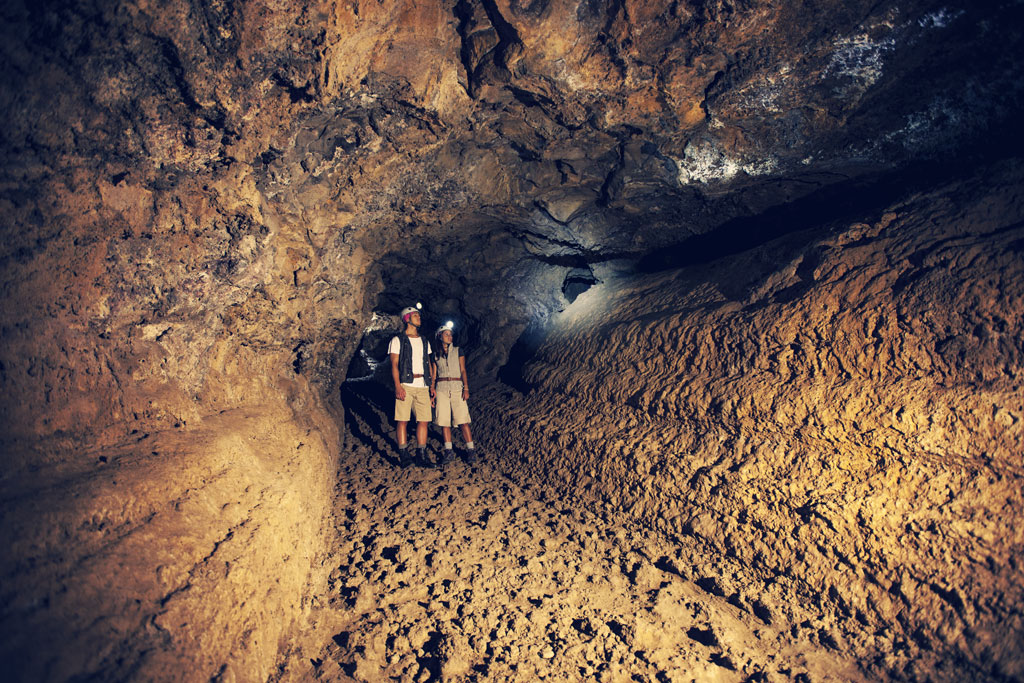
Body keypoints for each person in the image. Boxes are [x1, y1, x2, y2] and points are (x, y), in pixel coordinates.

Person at [388, 306, 435, 466]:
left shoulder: (424, 340)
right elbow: (394, 365)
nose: (419, 318)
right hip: (406, 384)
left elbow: (428, 363)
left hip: (423, 385)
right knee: (402, 420)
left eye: (419, 316)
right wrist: (398, 386)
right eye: (415, 315)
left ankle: (421, 455)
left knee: (424, 420)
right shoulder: (397, 340)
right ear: (407, 319)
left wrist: (431, 385)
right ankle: (404, 455)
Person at [430, 325, 477, 464]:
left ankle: (471, 451)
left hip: (457, 387)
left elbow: (463, 370)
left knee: (463, 420)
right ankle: (449, 452)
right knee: (444, 422)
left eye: (450, 334)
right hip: (441, 388)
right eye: (446, 334)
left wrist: (466, 388)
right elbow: (434, 375)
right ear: (439, 336)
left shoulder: (458, 351)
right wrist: (432, 390)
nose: (450, 337)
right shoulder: (435, 355)